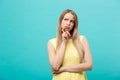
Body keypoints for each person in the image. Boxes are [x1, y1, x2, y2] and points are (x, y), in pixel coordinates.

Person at [47, 9, 92, 80]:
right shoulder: (51, 42)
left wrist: (63, 68)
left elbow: (89, 65)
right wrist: (64, 43)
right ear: (60, 21)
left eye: (72, 21)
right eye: (65, 19)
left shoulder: (82, 39)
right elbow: (55, 67)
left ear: (74, 25)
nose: (68, 23)